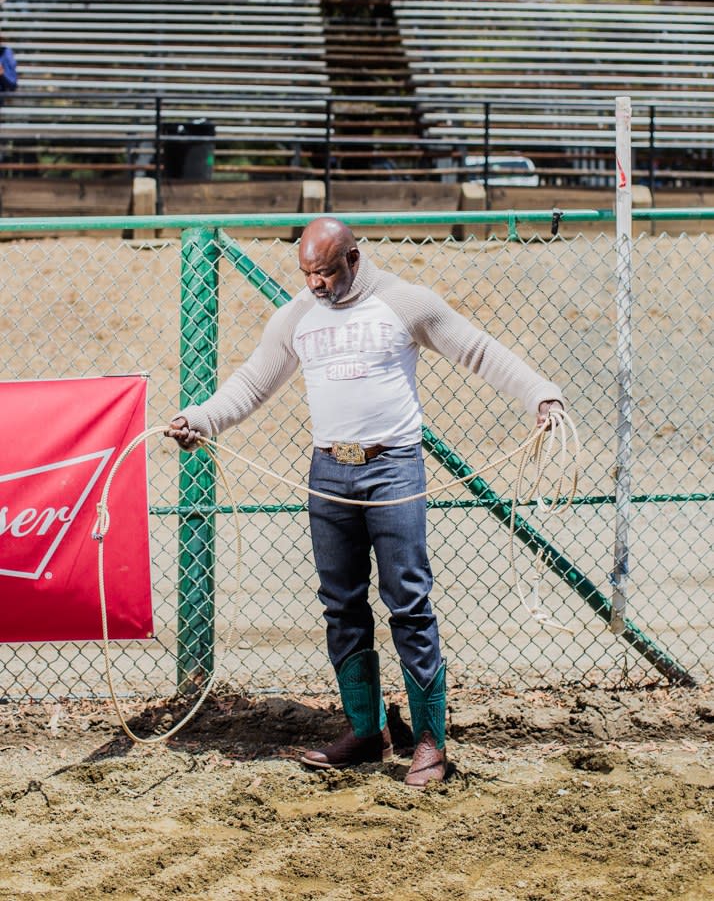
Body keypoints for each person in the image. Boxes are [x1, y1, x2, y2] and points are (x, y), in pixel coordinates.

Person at [165, 216, 565, 787]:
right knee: (341, 604)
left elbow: (476, 350)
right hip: (329, 470)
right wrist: (200, 418)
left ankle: (430, 742)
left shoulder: (406, 304)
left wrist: (539, 393)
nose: (316, 286)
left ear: (353, 259)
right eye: (307, 274)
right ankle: (366, 730)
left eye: (325, 273)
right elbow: (253, 382)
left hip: (394, 468)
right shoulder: (298, 318)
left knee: (408, 601)